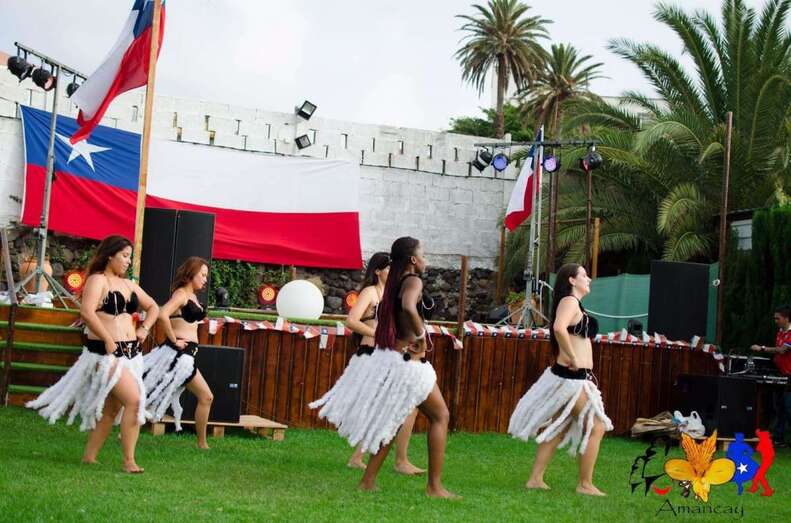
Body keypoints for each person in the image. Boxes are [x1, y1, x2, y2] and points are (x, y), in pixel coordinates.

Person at [317, 237, 457, 497]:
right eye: (422, 254)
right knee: (441, 416)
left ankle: (367, 481)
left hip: (394, 360)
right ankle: (434, 486)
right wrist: (420, 335)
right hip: (411, 365)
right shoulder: (413, 280)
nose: (425, 259)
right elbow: (408, 306)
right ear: (413, 259)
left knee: (392, 423)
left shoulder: (392, 284)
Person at [26, 235, 159, 473]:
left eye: (129, 257)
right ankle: (129, 461)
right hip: (104, 356)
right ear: (110, 256)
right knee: (135, 400)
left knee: (111, 410)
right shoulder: (98, 280)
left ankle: (89, 457)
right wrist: (107, 338)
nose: (128, 261)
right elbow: (87, 312)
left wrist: (145, 328)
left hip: (131, 354)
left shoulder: (128, 285)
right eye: (124, 256)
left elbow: (154, 307)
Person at [311, 252, 424, 475]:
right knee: (392, 404)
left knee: (405, 403)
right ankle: (392, 460)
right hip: (372, 354)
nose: (393, 272)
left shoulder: (395, 294)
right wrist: (377, 333)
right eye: (388, 268)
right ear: (378, 271)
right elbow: (351, 320)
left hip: (390, 354)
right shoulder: (370, 292)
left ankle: (386, 458)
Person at [508, 263, 613, 496]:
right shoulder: (569, 301)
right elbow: (558, 328)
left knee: (560, 427)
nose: (589, 279)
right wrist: (573, 357)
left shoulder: (575, 303)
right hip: (571, 378)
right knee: (596, 426)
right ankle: (585, 484)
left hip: (573, 377)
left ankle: (535, 479)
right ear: (572, 280)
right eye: (584, 275)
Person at [143, 257, 214, 449]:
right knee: (206, 397)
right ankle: (202, 444)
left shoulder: (192, 296)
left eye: (206, 276)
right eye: (202, 275)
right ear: (191, 274)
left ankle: (202, 443)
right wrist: (174, 340)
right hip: (179, 355)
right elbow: (162, 314)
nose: (205, 279)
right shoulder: (181, 294)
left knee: (151, 395)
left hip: (188, 355)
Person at [750, 304, 791, 446]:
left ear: (786, 318)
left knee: (788, 406)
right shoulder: (780, 332)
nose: (775, 321)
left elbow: (782, 350)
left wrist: (761, 348)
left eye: (778, 318)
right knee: (778, 405)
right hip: (780, 373)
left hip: (789, 375)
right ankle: (778, 437)